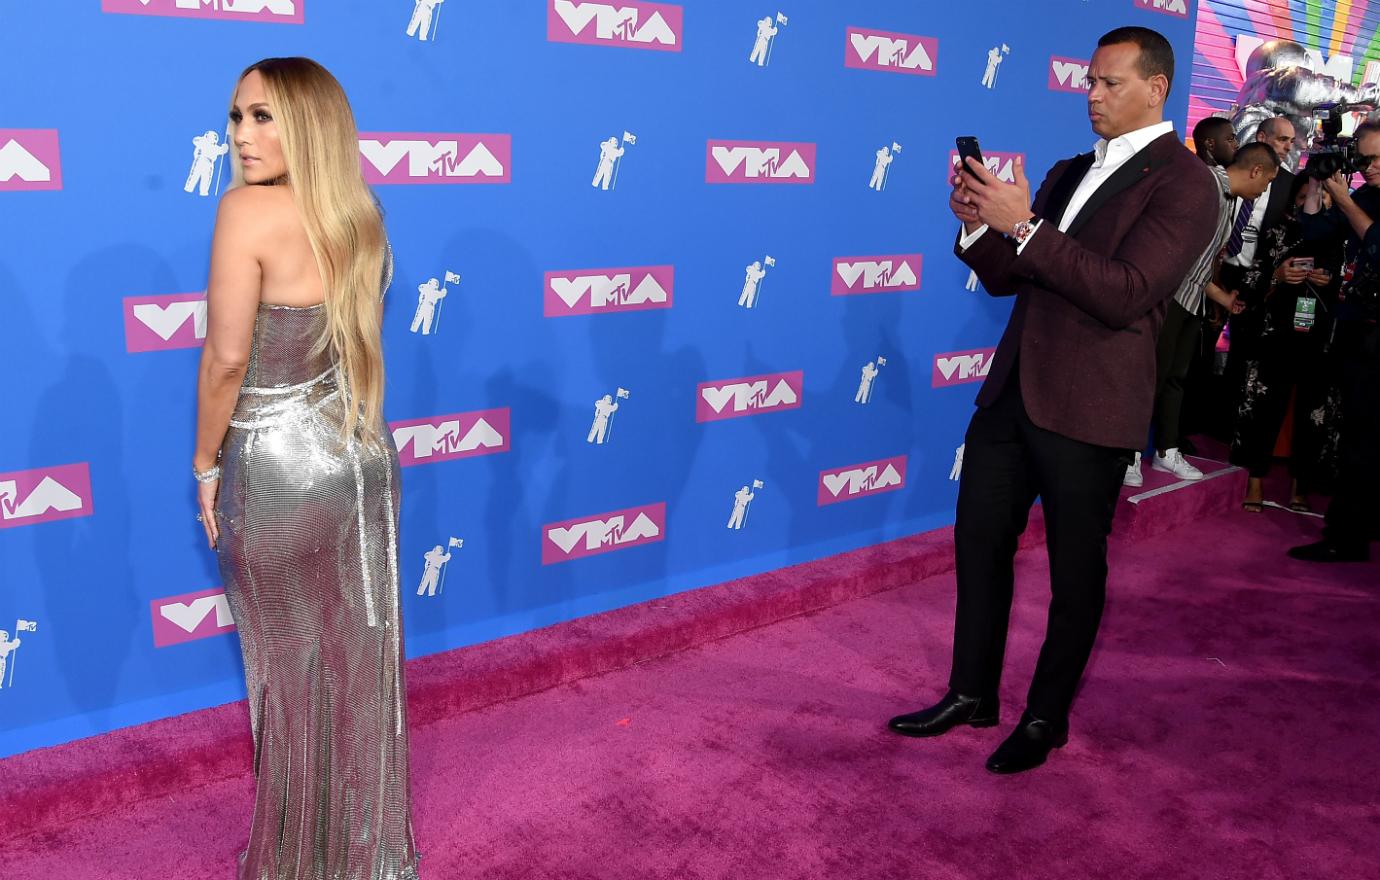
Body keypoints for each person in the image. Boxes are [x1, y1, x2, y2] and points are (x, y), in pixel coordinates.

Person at [887, 27, 1220, 774]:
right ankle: (971, 692)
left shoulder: (1187, 183)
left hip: (1092, 403)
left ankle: (1046, 717)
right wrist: (978, 221)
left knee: (1076, 572)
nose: (1091, 95)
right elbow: (1013, 275)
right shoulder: (1071, 170)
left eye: (1109, 83)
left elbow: (1125, 293)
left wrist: (1026, 225)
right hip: (1012, 392)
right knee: (978, 545)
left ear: (1156, 88)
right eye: (1089, 81)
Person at [192, 57, 421, 878]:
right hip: (359, 464)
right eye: (237, 117)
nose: (243, 136)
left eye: (265, 117)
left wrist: (204, 466)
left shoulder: (246, 213)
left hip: (279, 471)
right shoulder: (359, 211)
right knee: (357, 671)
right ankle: (363, 856)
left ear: (308, 124)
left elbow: (225, 362)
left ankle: (296, 860)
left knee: (287, 676)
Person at [1126, 142, 1279, 487]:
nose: (1262, 191)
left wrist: (1222, 299)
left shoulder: (1228, 198)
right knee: (1151, 377)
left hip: (1191, 299)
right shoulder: (1203, 184)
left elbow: (1199, 262)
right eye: (1266, 182)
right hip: (1169, 298)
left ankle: (1166, 450)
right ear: (1255, 171)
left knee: (1175, 378)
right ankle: (1128, 454)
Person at [1288, 121, 1380, 562]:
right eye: (1363, 159)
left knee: (1364, 439)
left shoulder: (1357, 199)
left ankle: (1349, 535)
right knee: (1358, 436)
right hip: (1359, 328)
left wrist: (1344, 200)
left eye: (1377, 158)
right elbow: (1317, 232)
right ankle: (1350, 532)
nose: (1369, 167)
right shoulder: (1364, 195)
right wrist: (1315, 184)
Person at [1229, 174, 1343, 511]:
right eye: (1308, 194)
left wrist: (1329, 280)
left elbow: (1354, 283)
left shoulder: (1339, 236)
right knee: (1264, 408)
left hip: (1320, 336)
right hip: (1276, 333)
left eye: (1322, 196)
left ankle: (1300, 484)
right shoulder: (1278, 231)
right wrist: (1277, 277)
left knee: (1313, 414)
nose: (1314, 201)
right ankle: (1255, 481)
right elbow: (1252, 281)